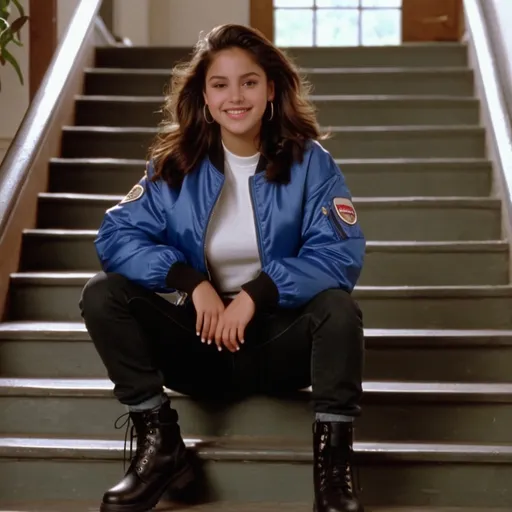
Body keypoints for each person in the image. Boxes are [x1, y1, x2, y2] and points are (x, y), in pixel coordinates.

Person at [80, 23, 366, 512]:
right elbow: (114, 237)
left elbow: (339, 255)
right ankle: (161, 443)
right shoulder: (175, 166)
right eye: (220, 84)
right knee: (103, 294)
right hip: (202, 342)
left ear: (271, 89)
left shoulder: (310, 164)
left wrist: (258, 293)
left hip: (278, 343)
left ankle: (334, 471)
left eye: (249, 82)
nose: (236, 96)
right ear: (206, 97)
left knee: (339, 309)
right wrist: (189, 283)